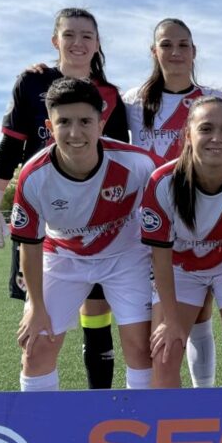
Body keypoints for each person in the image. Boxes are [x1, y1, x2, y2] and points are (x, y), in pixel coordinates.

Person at [0, 8, 127, 389]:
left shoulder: (111, 95)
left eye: (87, 35)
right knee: (39, 324)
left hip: (97, 224)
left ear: (97, 43)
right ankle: (40, 418)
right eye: (70, 35)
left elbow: (117, 155)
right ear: (56, 41)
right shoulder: (31, 82)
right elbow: (11, 145)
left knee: (97, 316)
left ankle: (97, 404)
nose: (78, 43)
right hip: (43, 223)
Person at [11, 78, 156, 391]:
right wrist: (35, 307)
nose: (75, 133)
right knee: (36, 347)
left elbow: (171, 200)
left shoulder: (138, 163)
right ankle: (41, 431)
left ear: (101, 124)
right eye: (64, 122)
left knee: (143, 350)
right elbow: (30, 244)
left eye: (85, 122)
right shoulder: (34, 176)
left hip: (126, 257)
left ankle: (142, 432)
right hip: (63, 258)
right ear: (50, 126)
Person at [122, 17, 222, 388]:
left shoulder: (213, 100)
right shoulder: (132, 102)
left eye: (183, 45)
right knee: (158, 325)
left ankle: (204, 394)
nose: (176, 52)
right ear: (154, 52)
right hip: (150, 229)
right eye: (167, 45)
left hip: (203, 224)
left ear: (194, 51)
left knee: (201, 313)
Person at [140, 96, 222, 388]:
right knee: (166, 351)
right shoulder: (163, 182)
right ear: (188, 135)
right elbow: (160, 258)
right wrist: (170, 319)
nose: (216, 139)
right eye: (206, 129)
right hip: (181, 269)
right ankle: (172, 430)